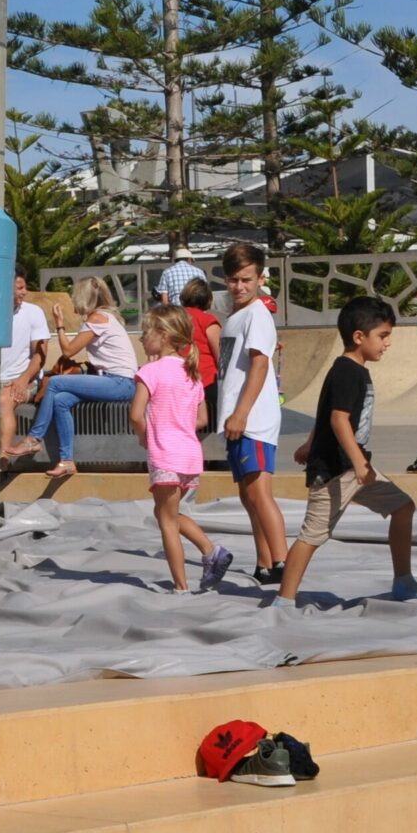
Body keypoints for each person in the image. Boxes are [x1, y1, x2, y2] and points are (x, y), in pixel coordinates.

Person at [279, 296, 417, 606]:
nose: (388, 343)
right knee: (312, 536)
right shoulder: (346, 371)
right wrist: (357, 461)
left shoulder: (355, 370)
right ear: (359, 337)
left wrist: (310, 442)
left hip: (355, 469)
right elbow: (338, 418)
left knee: (403, 506)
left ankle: (404, 582)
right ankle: (284, 600)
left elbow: (329, 412)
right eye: (383, 335)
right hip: (335, 472)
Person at [130, 305, 227, 593]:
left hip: (165, 454)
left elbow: (136, 415)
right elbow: (202, 419)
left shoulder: (150, 371)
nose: (141, 339)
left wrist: (145, 436)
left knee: (167, 523)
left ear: (162, 335)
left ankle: (182, 583)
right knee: (167, 513)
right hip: (190, 456)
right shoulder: (192, 375)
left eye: (146, 333)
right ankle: (211, 551)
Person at [11, 276, 139, 478]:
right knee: (61, 400)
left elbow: (69, 351)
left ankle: (33, 439)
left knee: (54, 382)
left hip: (119, 382)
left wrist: (60, 325)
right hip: (116, 381)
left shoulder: (97, 319)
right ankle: (67, 461)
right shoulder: (105, 317)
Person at [217, 243, 289, 586]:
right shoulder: (236, 316)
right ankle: (264, 561)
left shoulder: (258, 313)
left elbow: (260, 363)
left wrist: (242, 413)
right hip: (236, 419)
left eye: (246, 279)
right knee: (248, 497)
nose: (240, 286)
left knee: (260, 494)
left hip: (253, 420)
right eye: (233, 280)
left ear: (260, 278)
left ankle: (283, 563)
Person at [0, 270, 54, 466]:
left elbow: (41, 355)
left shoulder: (33, 312)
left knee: (4, 400)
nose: (25, 292)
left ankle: (3, 459)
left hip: (25, 380)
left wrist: (23, 379)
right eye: (20, 288)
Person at [179, 275, 223, 447]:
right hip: (206, 383)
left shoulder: (174, 319)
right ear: (208, 299)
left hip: (180, 383)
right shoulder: (208, 321)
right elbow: (221, 356)